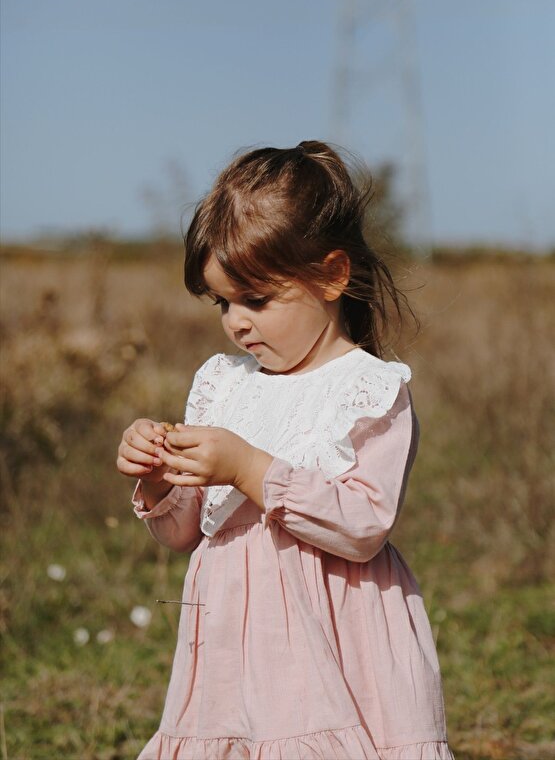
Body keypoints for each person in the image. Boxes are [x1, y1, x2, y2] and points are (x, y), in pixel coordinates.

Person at [117, 141, 455, 760]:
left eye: (257, 299)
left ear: (331, 275)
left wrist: (249, 467)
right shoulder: (223, 384)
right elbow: (187, 533)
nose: (236, 323)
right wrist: (162, 478)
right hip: (231, 653)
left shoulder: (367, 390)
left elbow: (363, 526)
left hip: (335, 640)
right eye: (224, 302)